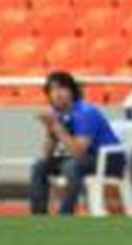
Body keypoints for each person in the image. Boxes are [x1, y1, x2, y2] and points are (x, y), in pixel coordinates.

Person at [29, 71, 123, 216]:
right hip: (84, 158)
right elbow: (47, 154)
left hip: (109, 159)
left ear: (72, 91)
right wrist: (50, 129)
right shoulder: (58, 113)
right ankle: (39, 216)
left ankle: (66, 214)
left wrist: (56, 127)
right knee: (39, 166)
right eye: (52, 90)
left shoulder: (85, 112)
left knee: (71, 166)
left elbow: (79, 152)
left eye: (61, 88)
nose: (57, 94)